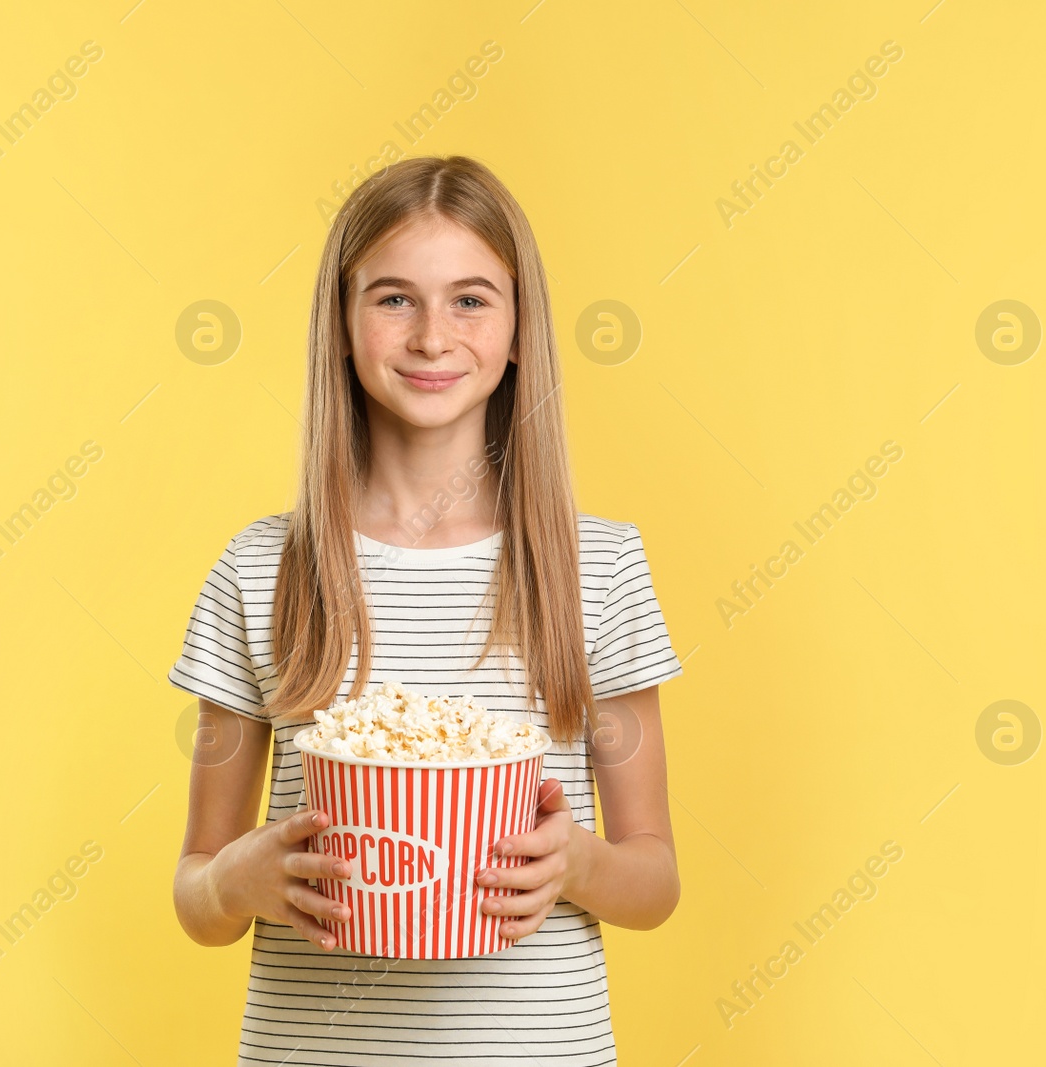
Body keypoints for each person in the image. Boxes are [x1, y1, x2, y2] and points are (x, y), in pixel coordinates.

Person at [168, 154, 684, 1066]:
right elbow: (196, 893)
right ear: (341, 323)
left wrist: (578, 864)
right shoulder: (262, 571)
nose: (432, 336)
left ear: (522, 329)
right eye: (394, 298)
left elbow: (654, 880)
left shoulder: (596, 568)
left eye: (472, 299)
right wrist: (235, 882)